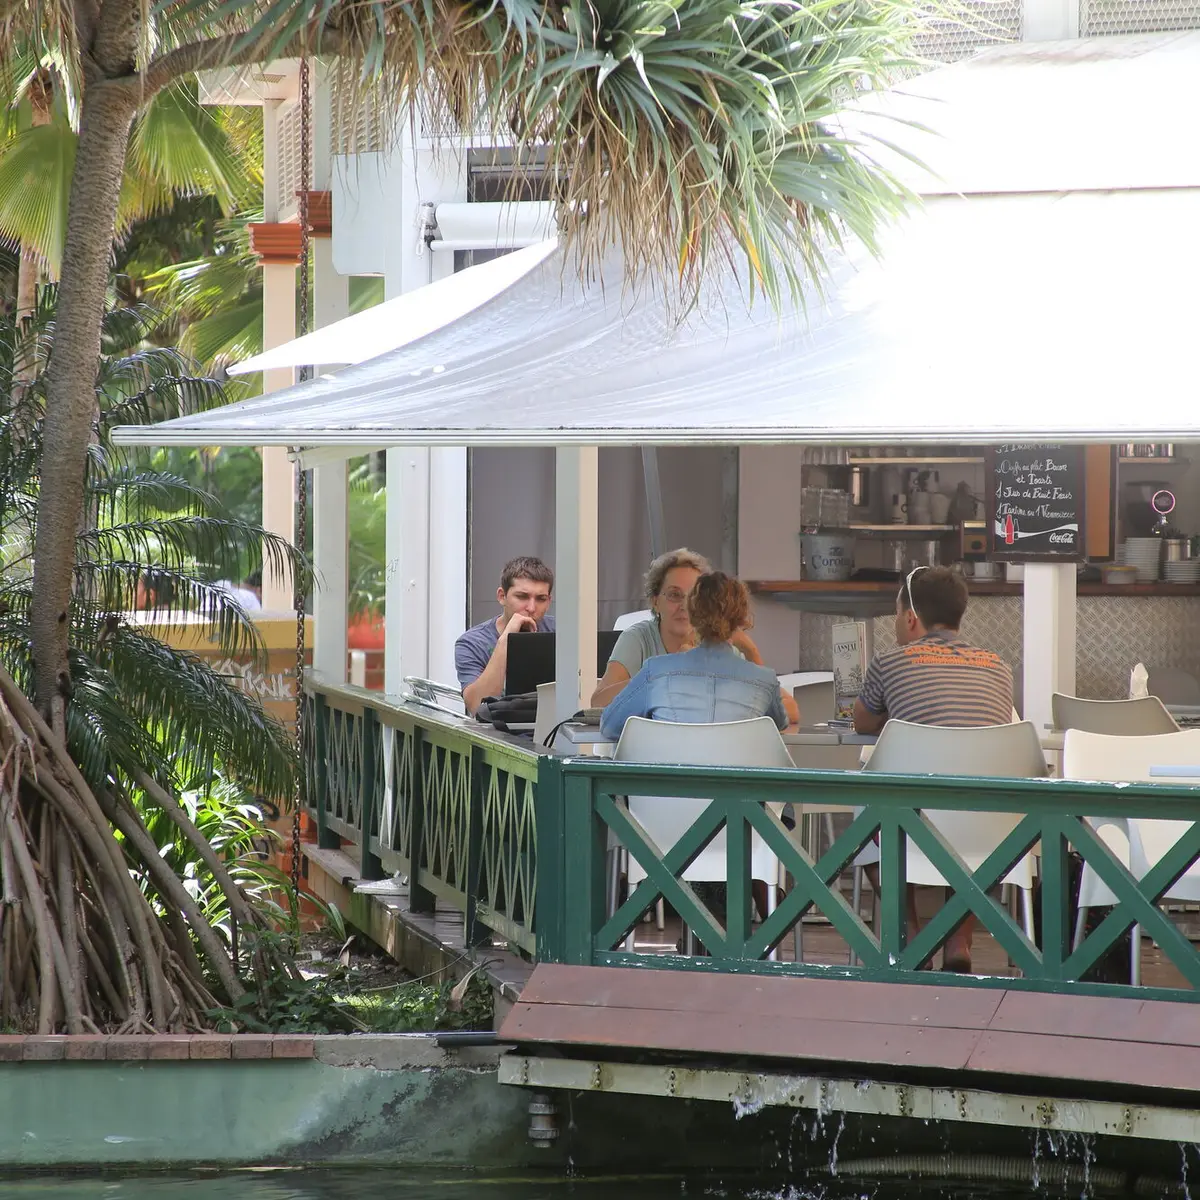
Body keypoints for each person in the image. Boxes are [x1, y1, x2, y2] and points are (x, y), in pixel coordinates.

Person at [852, 565, 1015, 972]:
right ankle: (958, 941)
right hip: (987, 824)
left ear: (910, 617)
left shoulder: (890, 662)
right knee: (979, 820)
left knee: (863, 813)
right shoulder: (998, 666)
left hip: (913, 821)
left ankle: (910, 936)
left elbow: (863, 722)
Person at [592, 547, 799, 726]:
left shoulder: (722, 648)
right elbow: (598, 702)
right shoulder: (640, 643)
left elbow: (789, 709)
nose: (684, 605)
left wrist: (751, 651)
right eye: (674, 595)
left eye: (692, 597)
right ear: (655, 601)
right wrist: (667, 675)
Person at [454, 557, 555, 715]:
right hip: (498, 732)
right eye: (522, 597)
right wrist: (507, 639)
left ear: (549, 601)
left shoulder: (561, 632)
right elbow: (477, 707)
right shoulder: (472, 642)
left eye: (541, 599)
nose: (531, 607)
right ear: (502, 596)